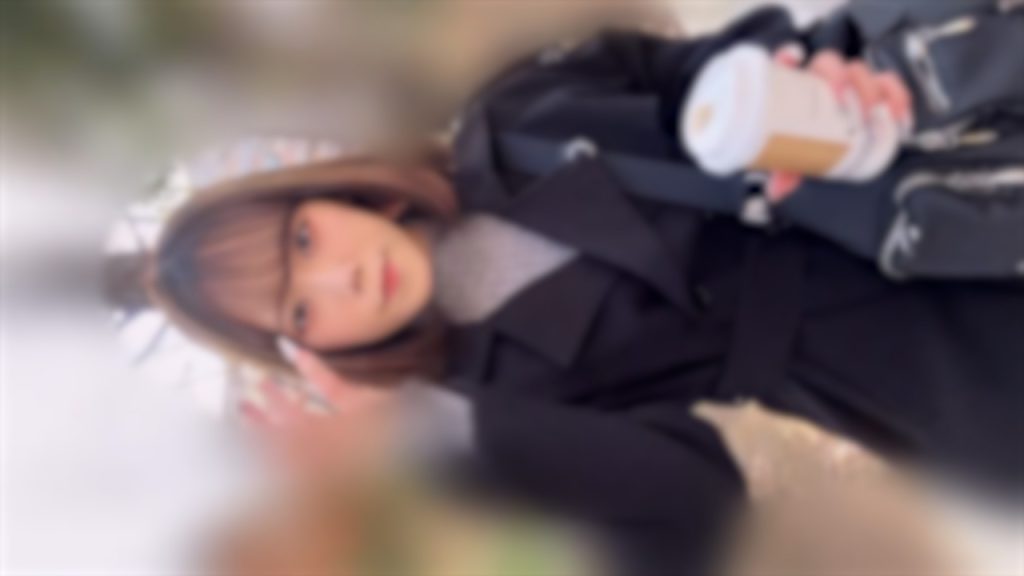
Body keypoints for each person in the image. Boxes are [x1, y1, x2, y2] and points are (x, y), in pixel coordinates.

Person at [147, 5, 1023, 573]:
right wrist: (420, 433)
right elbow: (693, 500)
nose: (343, 275)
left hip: (899, 152)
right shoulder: (477, 415)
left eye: (304, 238)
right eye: (303, 309)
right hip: (911, 364)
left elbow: (694, 73)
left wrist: (795, 79)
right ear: (311, 352)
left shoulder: (513, 114)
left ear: (328, 195)